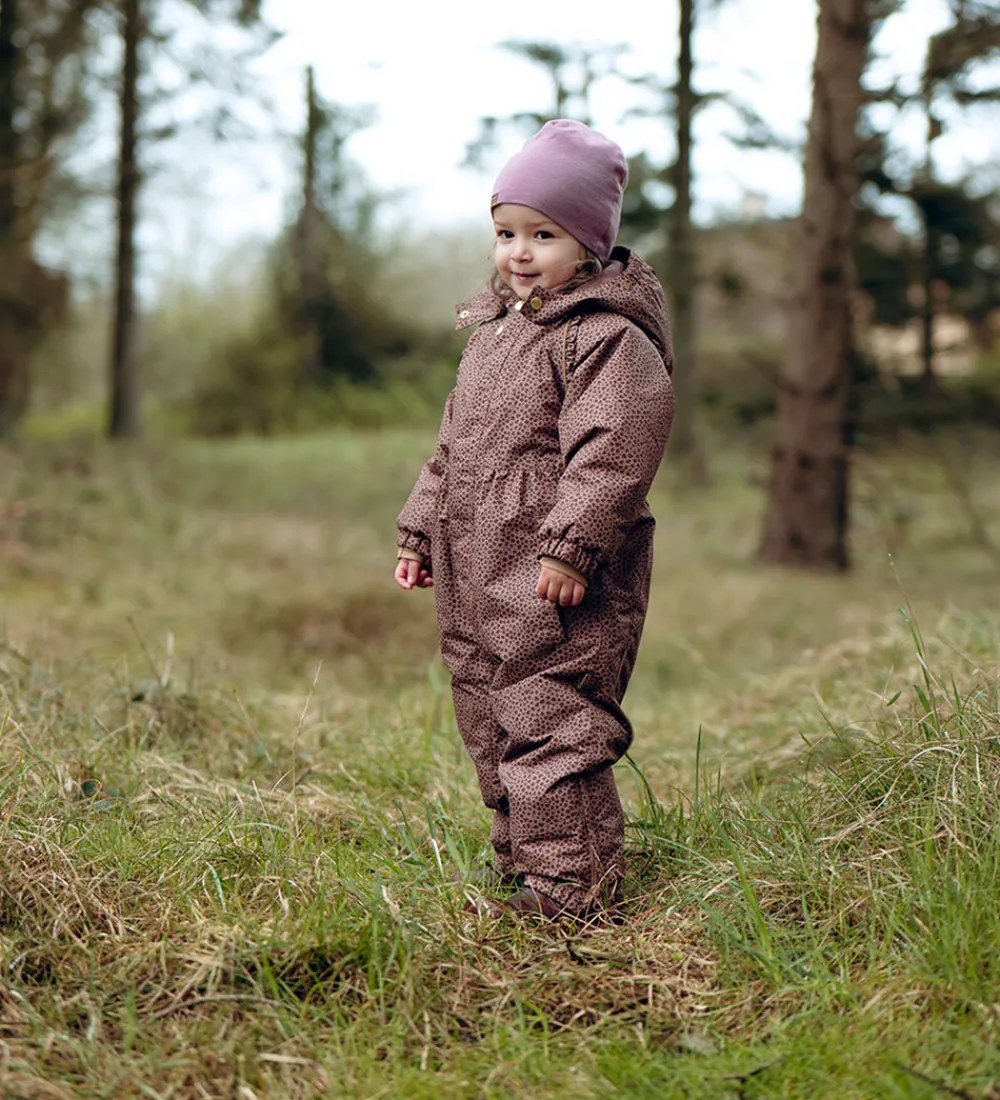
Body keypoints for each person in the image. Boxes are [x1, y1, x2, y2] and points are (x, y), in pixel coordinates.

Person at [394, 119, 675, 920]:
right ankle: (525, 865)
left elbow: (613, 452)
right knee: (487, 710)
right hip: (477, 569)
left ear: (589, 244)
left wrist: (575, 546)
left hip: (556, 576)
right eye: (506, 232)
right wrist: (421, 531)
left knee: (551, 716)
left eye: (543, 234)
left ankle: (575, 889)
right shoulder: (496, 338)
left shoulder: (608, 338)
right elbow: (452, 449)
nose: (518, 252)